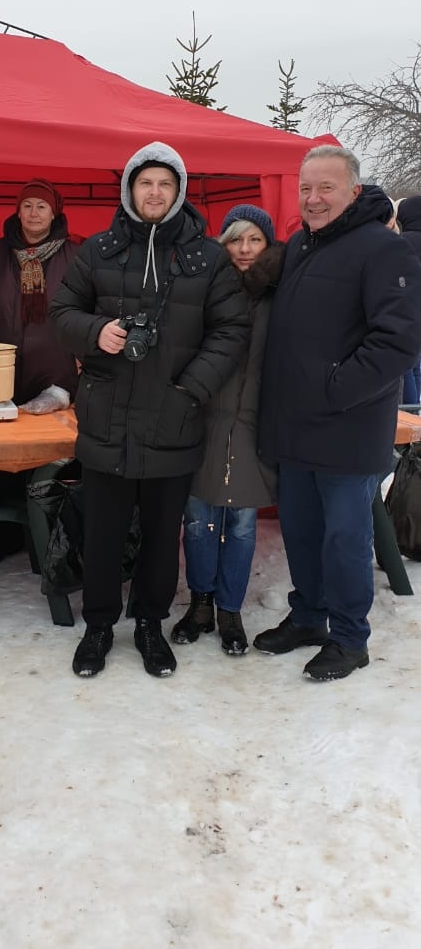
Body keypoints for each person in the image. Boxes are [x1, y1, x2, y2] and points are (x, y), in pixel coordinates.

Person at [50, 141, 251, 678]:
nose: (155, 192)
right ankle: (98, 626)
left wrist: (190, 389)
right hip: (106, 416)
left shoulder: (207, 258)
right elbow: (61, 310)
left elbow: (232, 330)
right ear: (130, 190)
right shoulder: (99, 250)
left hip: (175, 417)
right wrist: (97, 332)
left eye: (165, 183)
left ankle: (149, 625)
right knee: (103, 531)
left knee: (164, 537)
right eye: (145, 183)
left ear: (179, 190)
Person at [254, 146, 421, 680]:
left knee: (345, 538)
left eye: (325, 188)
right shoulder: (301, 244)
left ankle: (350, 638)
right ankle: (309, 617)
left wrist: (333, 388)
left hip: (347, 427)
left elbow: (398, 342)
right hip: (297, 425)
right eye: (305, 189)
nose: (313, 198)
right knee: (301, 531)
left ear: (353, 190)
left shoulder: (382, 248)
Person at [171, 204, 284, 655]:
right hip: (203, 419)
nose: (243, 248)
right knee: (198, 520)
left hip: (256, 423)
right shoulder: (204, 289)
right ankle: (200, 603)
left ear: (267, 245)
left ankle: (230, 610)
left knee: (239, 524)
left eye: (254, 239)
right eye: (235, 238)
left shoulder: (282, 294)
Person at [0, 180, 80, 566]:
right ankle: (0, 535)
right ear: (17, 211)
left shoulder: (77, 254)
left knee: (46, 462)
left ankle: (44, 539)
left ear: (55, 212)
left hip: (54, 375)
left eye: (41, 207)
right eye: (27, 206)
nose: (34, 213)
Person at [396, 197, 421, 404]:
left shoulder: (403, 242)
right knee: (417, 365)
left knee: (407, 367)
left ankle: (407, 409)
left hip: (410, 308)